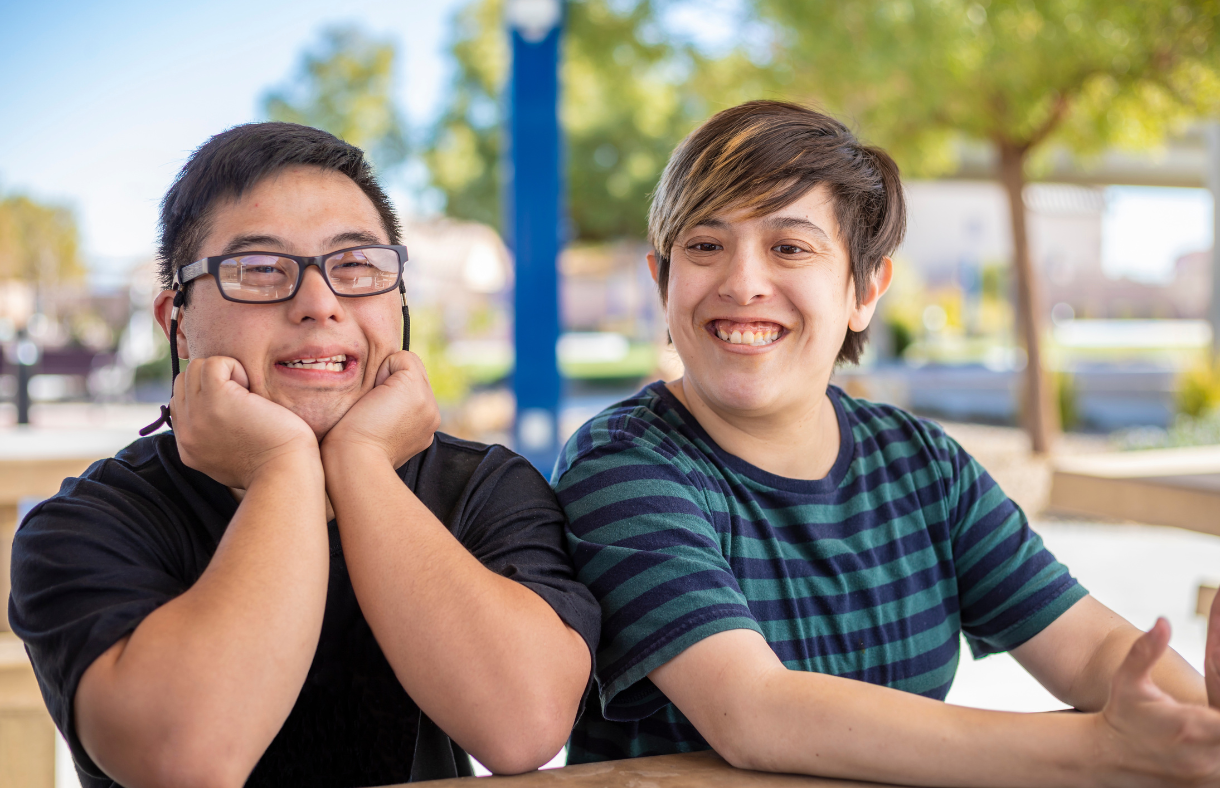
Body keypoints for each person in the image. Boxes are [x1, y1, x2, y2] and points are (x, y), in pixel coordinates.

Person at [552, 100, 1220, 786]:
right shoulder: (622, 465)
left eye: (789, 247)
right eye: (704, 245)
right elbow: (755, 712)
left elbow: (1091, 650)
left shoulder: (923, 465)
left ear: (865, 289)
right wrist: (1102, 753)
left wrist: (1198, 723)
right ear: (662, 279)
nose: (743, 282)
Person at [9, 122, 600, 788]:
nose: (319, 304)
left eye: (355, 266)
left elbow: (523, 727)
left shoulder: (482, 489)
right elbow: (188, 760)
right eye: (260, 271)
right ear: (176, 320)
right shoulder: (88, 524)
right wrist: (285, 466)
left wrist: (359, 464)